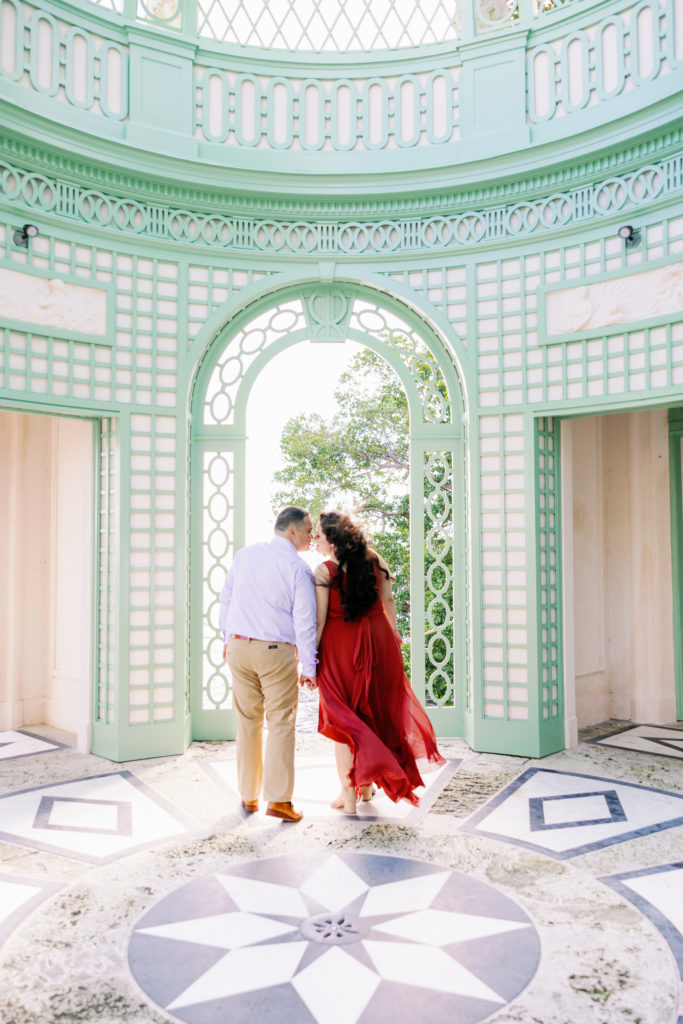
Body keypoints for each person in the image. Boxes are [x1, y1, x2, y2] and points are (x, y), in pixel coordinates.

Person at [313, 510, 445, 814]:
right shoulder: (373, 558)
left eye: (318, 536)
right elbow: (388, 601)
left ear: (331, 540)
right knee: (372, 713)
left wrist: (309, 661)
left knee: (343, 722)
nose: (315, 541)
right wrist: (393, 636)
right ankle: (368, 789)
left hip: (340, 648)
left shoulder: (324, 571)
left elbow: (319, 621)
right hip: (380, 639)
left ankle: (348, 798)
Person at [219, 506, 317, 823]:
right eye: (307, 530)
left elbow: (226, 598)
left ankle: (248, 797)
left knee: (248, 722)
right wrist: (310, 669)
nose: (311, 535)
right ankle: (279, 800)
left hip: (237, 645)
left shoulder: (245, 555)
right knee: (281, 723)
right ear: (292, 531)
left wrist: (226, 638)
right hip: (275, 652)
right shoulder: (298, 569)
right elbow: (305, 622)